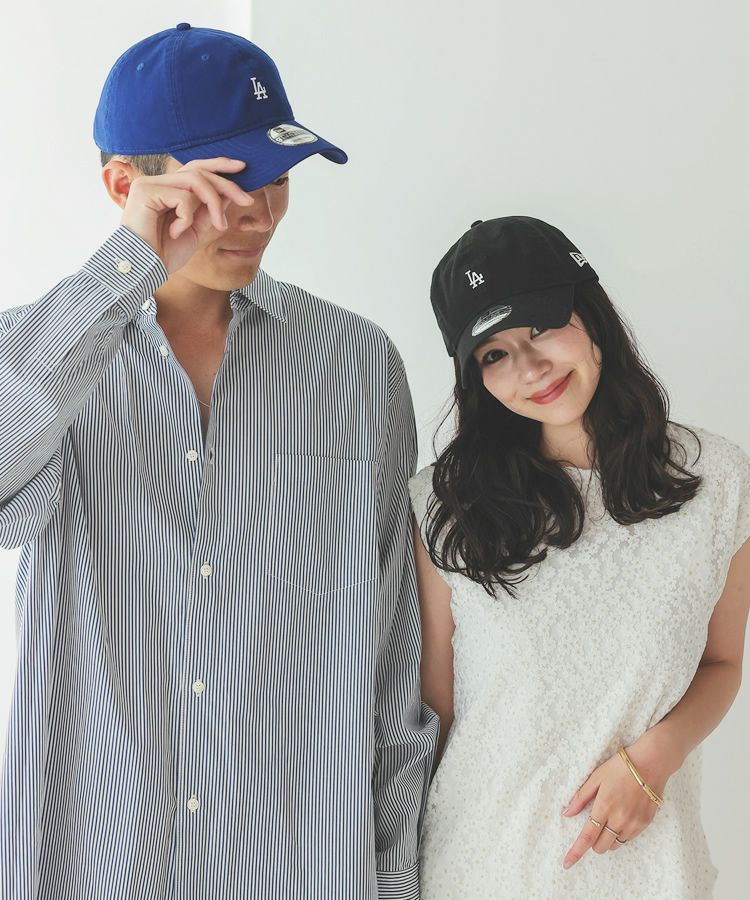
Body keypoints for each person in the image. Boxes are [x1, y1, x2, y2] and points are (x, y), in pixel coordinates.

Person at [0, 23, 437, 900]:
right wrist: (126, 267)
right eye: (231, 184)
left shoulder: (356, 365)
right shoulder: (39, 358)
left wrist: (393, 874)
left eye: (278, 179)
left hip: (299, 863)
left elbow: (395, 651)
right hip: (92, 860)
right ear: (125, 185)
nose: (262, 213)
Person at [408, 216, 750, 898]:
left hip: (656, 869)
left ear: (592, 315)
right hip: (484, 869)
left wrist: (655, 759)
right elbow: (435, 714)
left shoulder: (719, 482)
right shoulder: (445, 505)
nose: (530, 368)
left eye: (541, 327)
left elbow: (721, 663)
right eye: (494, 354)